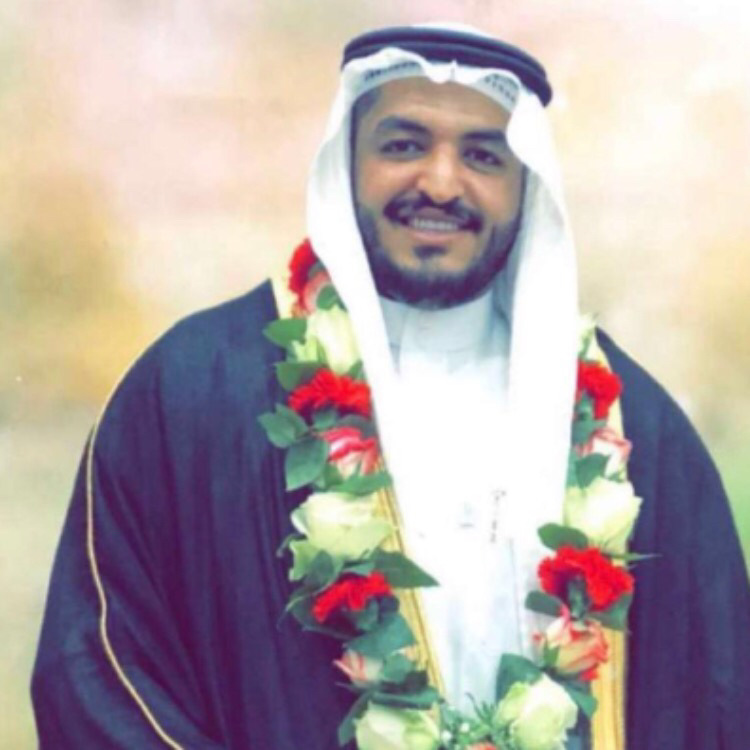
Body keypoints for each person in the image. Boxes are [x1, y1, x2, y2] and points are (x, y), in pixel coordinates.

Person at [31, 23, 750, 750]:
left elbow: (720, 696)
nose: (440, 183)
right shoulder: (191, 396)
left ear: (527, 184)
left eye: (483, 156)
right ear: (346, 163)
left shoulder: (630, 432)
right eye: (404, 145)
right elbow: (99, 676)